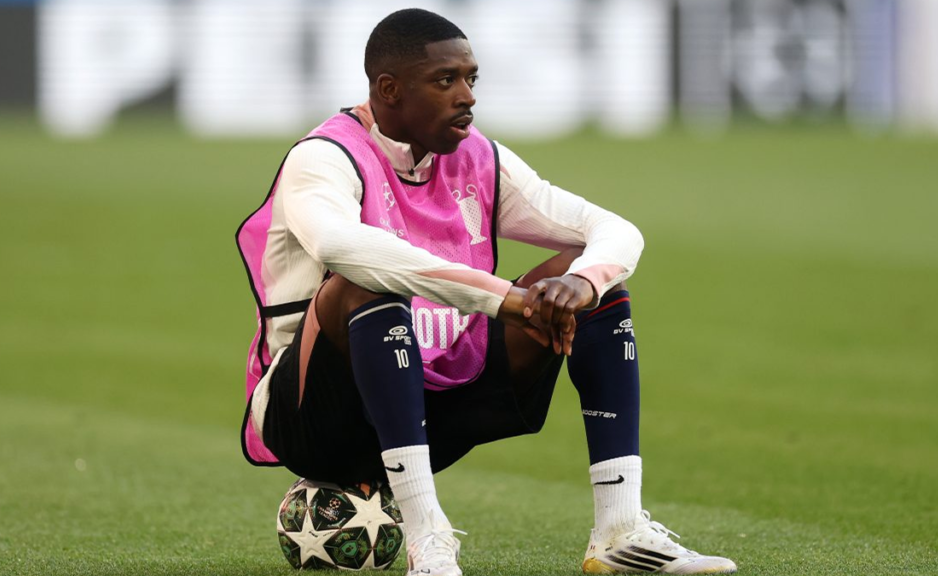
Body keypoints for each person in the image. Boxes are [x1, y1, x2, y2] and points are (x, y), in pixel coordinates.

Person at [236, 8, 736, 576]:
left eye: (471, 78)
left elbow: (617, 231)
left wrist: (580, 282)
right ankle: (429, 541)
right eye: (445, 80)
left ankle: (619, 529)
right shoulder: (325, 157)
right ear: (389, 89)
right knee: (363, 283)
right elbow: (339, 248)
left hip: (431, 401)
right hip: (313, 416)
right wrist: (508, 299)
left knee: (591, 276)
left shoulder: (480, 158)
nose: (467, 96)